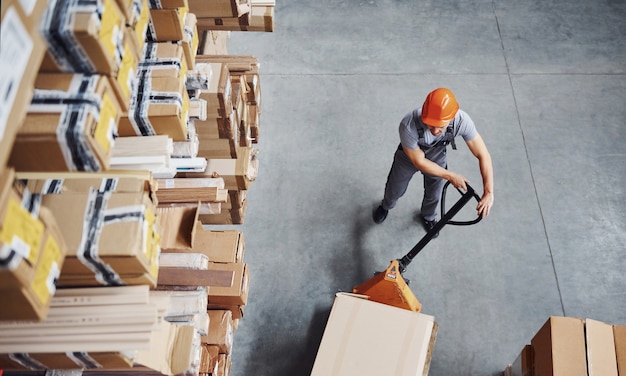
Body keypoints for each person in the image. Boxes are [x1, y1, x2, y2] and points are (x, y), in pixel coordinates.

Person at [373, 88, 494, 236]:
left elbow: (483, 155)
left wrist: (488, 192)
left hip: (437, 157)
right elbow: (419, 161)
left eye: (441, 127)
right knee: (395, 189)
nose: (435, 131)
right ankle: (386, 205)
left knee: (434, 193)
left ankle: (428, 217)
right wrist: (449, 175)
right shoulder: (408, 125)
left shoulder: (461, 121)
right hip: (408, 158)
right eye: (431, 125)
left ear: (452, 117)